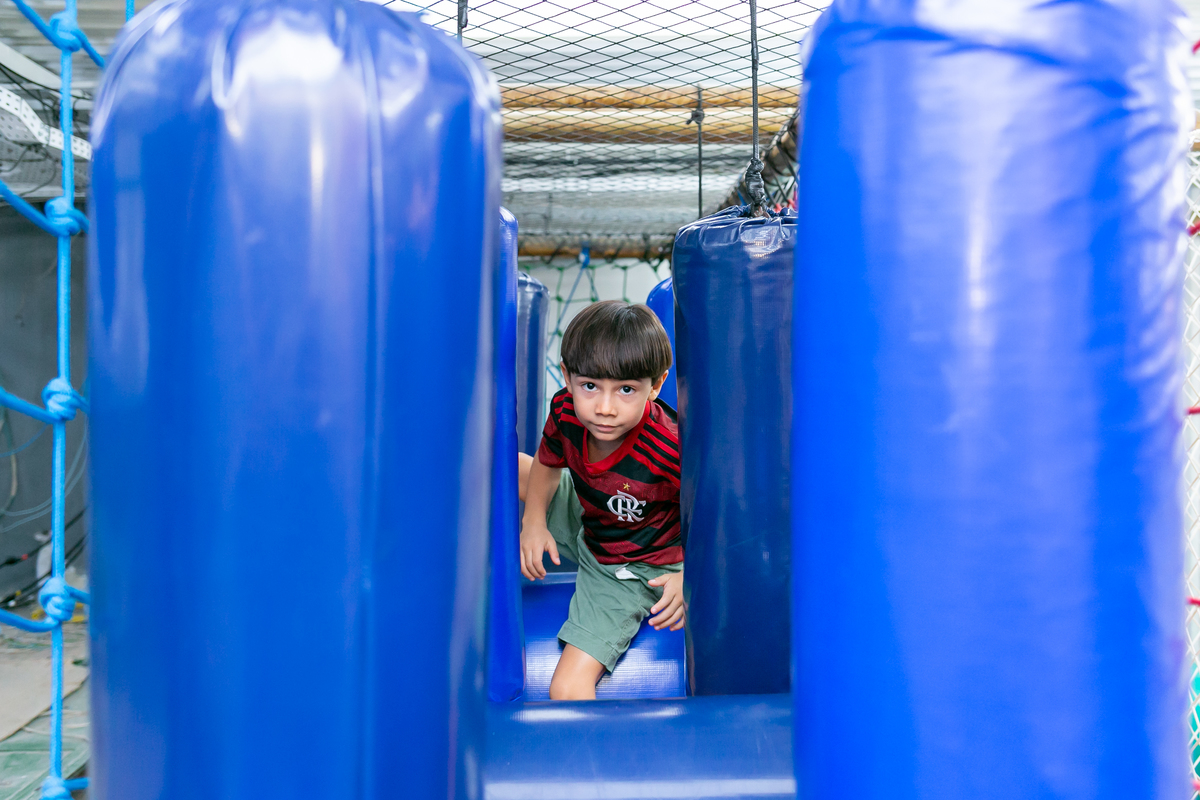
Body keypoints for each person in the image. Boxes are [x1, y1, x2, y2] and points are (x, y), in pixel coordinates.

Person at [518, 300, 683, 700]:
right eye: (589, 386)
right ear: (567, 376)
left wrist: (690, 577)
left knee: (567, 688)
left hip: (634, 565)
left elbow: (719, 517)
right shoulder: (566, 411)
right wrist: (534, 520)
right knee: (502, 465)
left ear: (656, 385)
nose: (605, 409)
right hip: (590, 516)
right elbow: (547, 462)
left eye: (627, 390)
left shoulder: (671, 447)